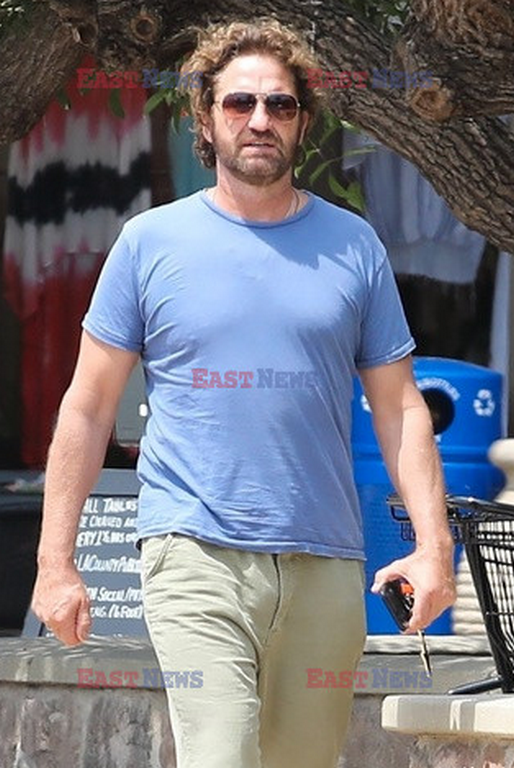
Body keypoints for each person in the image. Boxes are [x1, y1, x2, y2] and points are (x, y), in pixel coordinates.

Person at [32, 17, 456, 768]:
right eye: (239, 102)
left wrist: (434, 548)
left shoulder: (354, 245)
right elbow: (89, 407)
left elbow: (399, 408)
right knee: (221, 754)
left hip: (325, 559)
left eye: (280, 104)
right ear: (205, 118)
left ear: (302, 123)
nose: (260, 119)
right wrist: (54, 562)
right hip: (195, 553)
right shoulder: (149, 244)